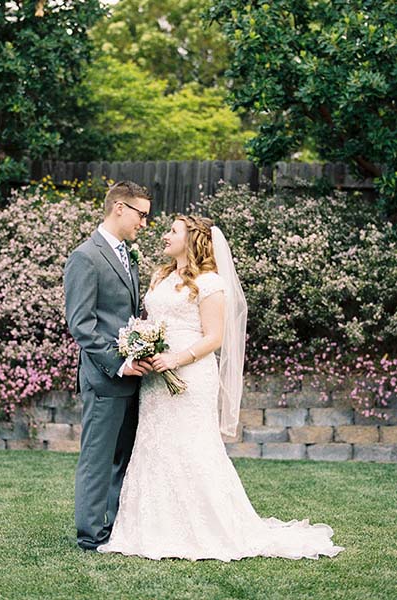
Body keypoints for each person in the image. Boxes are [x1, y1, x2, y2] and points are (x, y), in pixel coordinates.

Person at [97, 214, 345, 561]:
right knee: (155, 443)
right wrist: (142, 345)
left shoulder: (211, 283)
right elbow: (151, 322)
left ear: (193, 240)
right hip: (155, 377)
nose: (165, 235)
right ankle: (149, 528)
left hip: (191, 375)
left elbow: (214, 337)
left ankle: (207, 527)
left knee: (192, 446)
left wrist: (175, 359)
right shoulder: (161, 275)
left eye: (173, 231)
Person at [64, 180, 153, 551]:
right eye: (141, 215)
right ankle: (90, 534)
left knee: (124, 459)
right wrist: (118, 364)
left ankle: (115, 526)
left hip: (134, 380)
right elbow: (80, 325)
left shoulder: (127, 255)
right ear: (120, 207)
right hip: (105, 379)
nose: (145, 224)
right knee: (97, 460)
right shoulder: (85, 257)